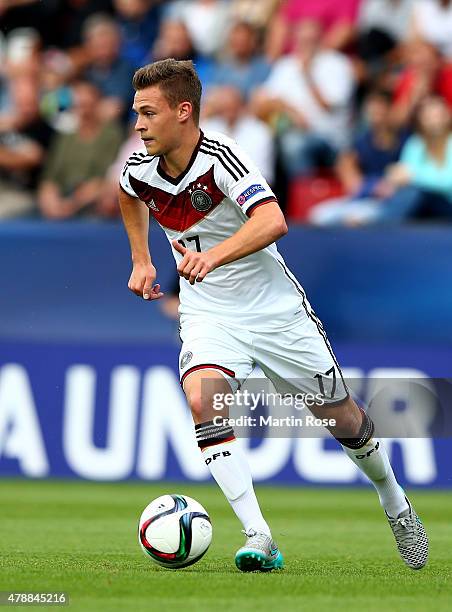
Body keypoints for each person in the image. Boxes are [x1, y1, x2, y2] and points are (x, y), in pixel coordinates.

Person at [118, 58, 429, 572]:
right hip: (209, 313)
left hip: (274, 312)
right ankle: (259, 535)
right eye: (136, 113)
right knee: (202, 400)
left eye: (148, 113)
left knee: (342, 418)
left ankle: (393, 498)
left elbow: (274, 219)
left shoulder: (221, 159)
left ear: (183, 111)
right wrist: (142, 259)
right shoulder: (140, 167)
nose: (138, 124)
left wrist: (212, 256)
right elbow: (129, 195)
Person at [253, 19, 354, 178]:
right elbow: (263, 99)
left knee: (293, 145)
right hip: (289, 129)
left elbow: (328, 106)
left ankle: (305, 197)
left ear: (320, 39)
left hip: (329, 136)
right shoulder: (286, 65)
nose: (306, 45)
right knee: (257, 135)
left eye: (311, 40)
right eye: (302, 40)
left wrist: (308, 75)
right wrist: (290, 110)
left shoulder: (337, 63)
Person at [309, 90, 407, 226]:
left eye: (380, 109)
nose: (376, 115)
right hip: (363, 200)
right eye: (372, 110)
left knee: (360, 217)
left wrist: (391, 184)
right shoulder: (361, 140)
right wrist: (372, 186)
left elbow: (405, 177)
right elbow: (352, 181)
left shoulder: (405, 140)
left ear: (390, 110)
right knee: (319, 215)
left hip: (391, 203)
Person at [38, 81, 123, 219]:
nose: (83, 111)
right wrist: (50, 199)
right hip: (63, 200)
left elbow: (105, 177)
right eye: (79, 105)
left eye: (87, 105)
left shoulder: (111, 134)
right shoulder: (66, 136)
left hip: (94, 202)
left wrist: (72, 204)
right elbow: (51, 176)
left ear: (97, 104)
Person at [376, 95, 452, 223]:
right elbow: (401, 175)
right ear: (421, 120)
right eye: (429, 117)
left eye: (437, 116)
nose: (434, 121)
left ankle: (381, 227)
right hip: (419, 207)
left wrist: (413, 177)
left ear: (447, 117)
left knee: (413, 192)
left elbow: (449, 182)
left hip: (447, 206)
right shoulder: (415, 144)